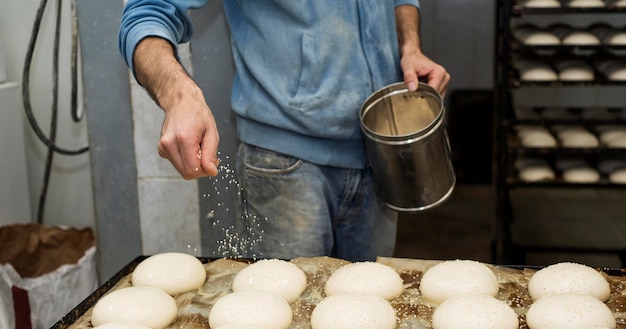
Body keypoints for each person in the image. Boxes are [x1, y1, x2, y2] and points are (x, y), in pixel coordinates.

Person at [118, 0, 450, 261]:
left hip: (378, 155)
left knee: (368, 317)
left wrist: (410, 45)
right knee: (287, 325)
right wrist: (179, 97)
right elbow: (148, 11)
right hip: (284, 167)